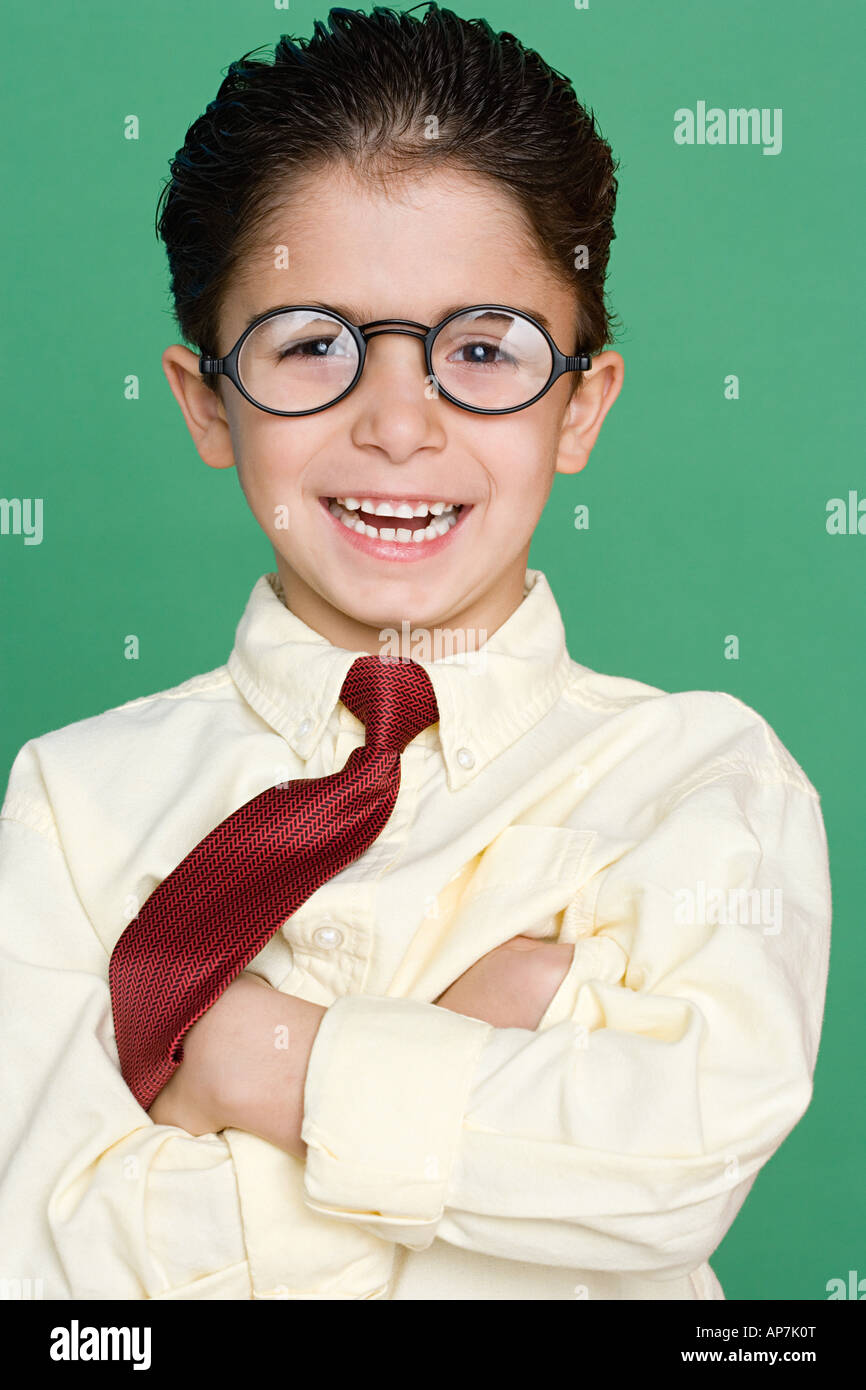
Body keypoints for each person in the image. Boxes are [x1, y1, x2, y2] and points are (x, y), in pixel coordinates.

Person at [0, 3, 831, 1301]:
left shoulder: (697, 779)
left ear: (581, 403)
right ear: (207, 400)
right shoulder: (70, 803)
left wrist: (271, 1063)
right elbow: (49, 1274)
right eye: (313, 345)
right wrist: (460, 1050)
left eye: (484, 349)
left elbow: (668, 1170)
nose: (399, 422)